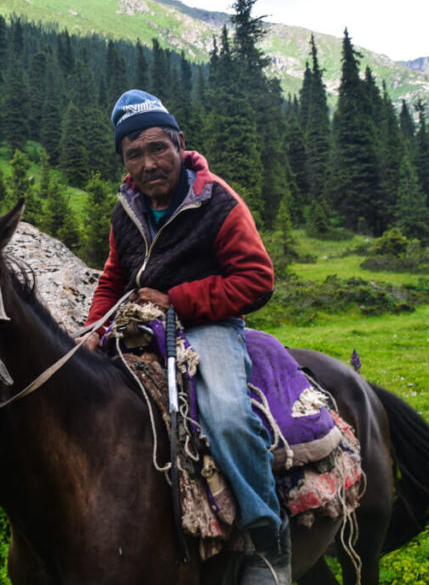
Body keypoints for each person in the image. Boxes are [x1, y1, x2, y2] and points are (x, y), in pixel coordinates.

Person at [81, 89, 290, 585]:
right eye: (134, 154)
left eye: (158, 148)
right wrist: (92, 328)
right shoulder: (126, 207)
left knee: (227, 415)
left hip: (208, 325)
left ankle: (266, 537)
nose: (149, 163)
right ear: (125, 161)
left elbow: (257, 279)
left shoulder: (217, 201)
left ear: (179, 143)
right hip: (138, 323)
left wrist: (178, 300)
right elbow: (115, 276)